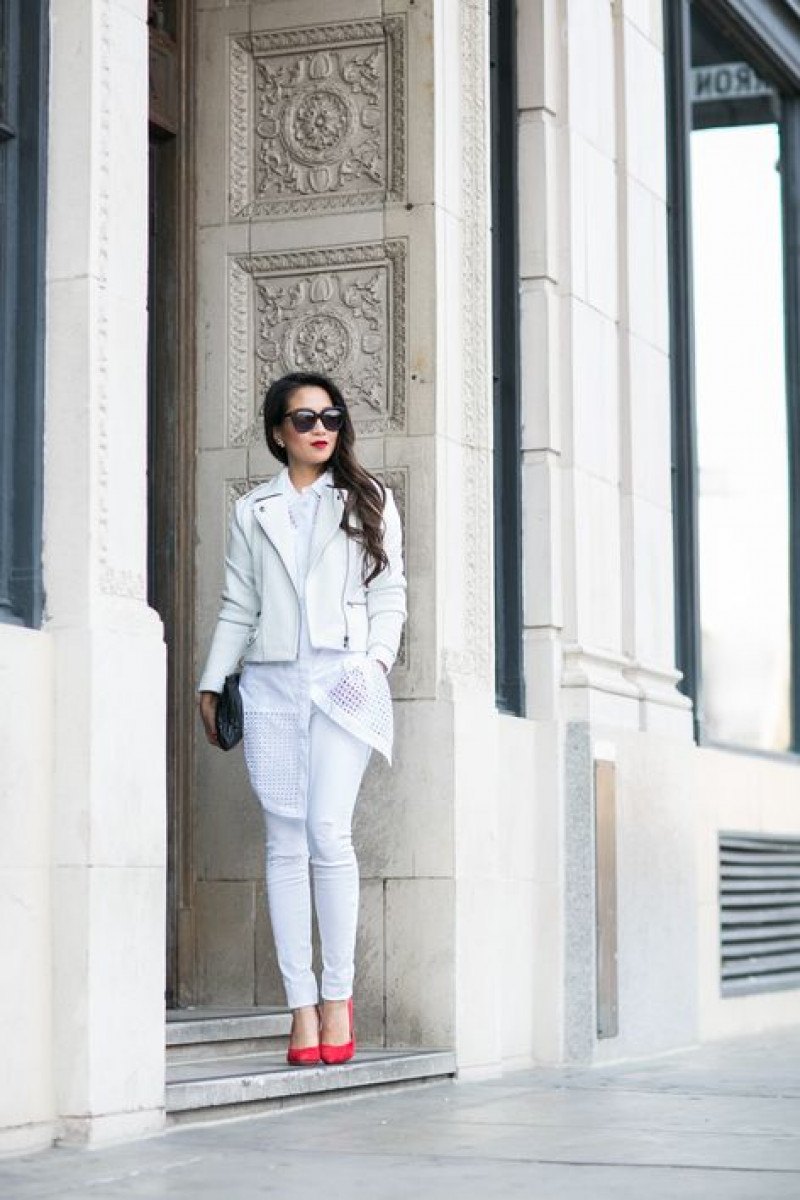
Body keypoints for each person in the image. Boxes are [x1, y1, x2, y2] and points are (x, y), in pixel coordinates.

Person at [197, 371, 406, 1066]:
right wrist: (212, 679)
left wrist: (374, 661)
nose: (322, 427)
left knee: (326, 831)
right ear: (278, 431)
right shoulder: (253, 509)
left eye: (332, 415)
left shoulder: (369, 499)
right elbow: (238, 605)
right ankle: (302, 1008)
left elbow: (390, 592)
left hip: (342, 681)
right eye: (305, 417)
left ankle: (339, 997)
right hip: (272, 683)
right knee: (284, 840)